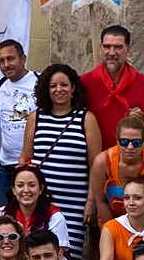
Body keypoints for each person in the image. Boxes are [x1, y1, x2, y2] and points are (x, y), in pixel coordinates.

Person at [23, 62, 99, 239]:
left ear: (73, 88)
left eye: (64, 84)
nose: (59, 89)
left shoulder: (86, 119)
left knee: (70, 256)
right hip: (40, 202)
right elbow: (25, 158)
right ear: (46, 90)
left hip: (75, 203)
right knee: (38, 254)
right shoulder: (36, 117)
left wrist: (91, 201)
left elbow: (95, 165)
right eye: (53, 86)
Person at [89, 109, 144, 245]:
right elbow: (101, 202)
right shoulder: (103, 161)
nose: (129, 147)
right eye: (124, 142)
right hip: (112, 221)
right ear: (116, 139)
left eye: (136, 143)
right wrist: (115, 234)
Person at [79, 23, 144, 151]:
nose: (111, 53)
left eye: (118, 47)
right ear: (100, 48)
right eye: (107, 47)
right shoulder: (85, 83)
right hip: (96, 163)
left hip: (135, 161)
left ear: (128, 50)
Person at [0, 164, 71, 260]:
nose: (26, 190)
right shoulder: (2, 213)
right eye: (20, 185)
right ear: (13, 190)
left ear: (41, 189)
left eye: (32, 185)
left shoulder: (54, 217)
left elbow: (56, 258)